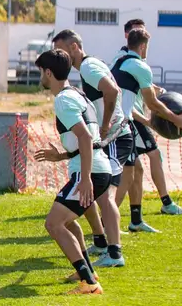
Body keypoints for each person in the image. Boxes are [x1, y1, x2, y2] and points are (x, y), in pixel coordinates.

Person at [49, 30, 128, 268]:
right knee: (93, 191)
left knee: (105, 195)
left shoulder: (87, 67)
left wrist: (104, 126)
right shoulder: (89, 66)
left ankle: (114, 252)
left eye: (61, 50)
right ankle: (102, 242)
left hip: (113, 137)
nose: (59, 56)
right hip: (107, 137)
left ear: (74, 47)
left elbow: (113, 91)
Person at [36, 49, 111, 295]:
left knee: (54, 224)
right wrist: (61, 155)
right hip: (96, 168)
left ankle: (89, 284)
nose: (41, 77)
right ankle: (86, 272)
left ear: (48, 73)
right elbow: (86, 141)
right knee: (67, 222)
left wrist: (86, 178)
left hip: (89, 172)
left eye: (41, 72)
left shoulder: (63, 100)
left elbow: (86, 138)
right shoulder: (78, 94)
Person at [110, 19, 182, 223]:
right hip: (126, 121)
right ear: (142, 45)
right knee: (135, 169)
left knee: (135, 169)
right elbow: (153, 103)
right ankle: (106, 222)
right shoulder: (137, 64)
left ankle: (136, 221)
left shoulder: (122, 61)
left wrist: (153, 89)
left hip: (119, 119)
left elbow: (129, 90)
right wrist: (174, 118)